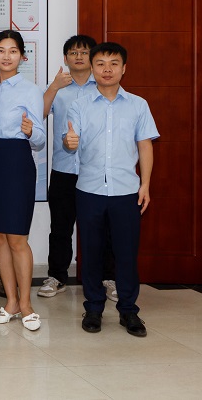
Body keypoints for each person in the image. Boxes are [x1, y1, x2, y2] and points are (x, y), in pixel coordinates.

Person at [66, 42, 157, 337]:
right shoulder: (79, 104)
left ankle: (129, 310)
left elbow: (145, 145)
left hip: (126, 190)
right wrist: (69, 142)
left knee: (126, 253)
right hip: (89, 189)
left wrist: (145, 184)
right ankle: (93, 308)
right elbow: (71, 139)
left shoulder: (138, 105)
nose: (107, 69)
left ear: (124, 68)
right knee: (91, 252)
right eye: (101, 63)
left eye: (114, 63)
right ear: (92, 68)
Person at [0, 30, 46, 332]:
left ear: (22, 56)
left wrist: (31, 130)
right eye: (1, 50)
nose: (6, 56)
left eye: (13, 51)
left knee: (17, 238)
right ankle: (11, 302)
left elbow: (40, 139)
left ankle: (27, 304)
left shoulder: (30, 90)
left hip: (17, 160)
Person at [39, 34, 112, 299]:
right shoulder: (59, 87)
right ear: (66, 58)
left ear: (92, 57)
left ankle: (108, 277)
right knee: (60, 227)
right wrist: (53, 87)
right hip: (64, 169)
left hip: (96, 170)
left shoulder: (103, 85)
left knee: (103, 227)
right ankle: (57, 277)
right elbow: (39, 114)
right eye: (73, 52)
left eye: (84, 52)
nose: (78, 56)